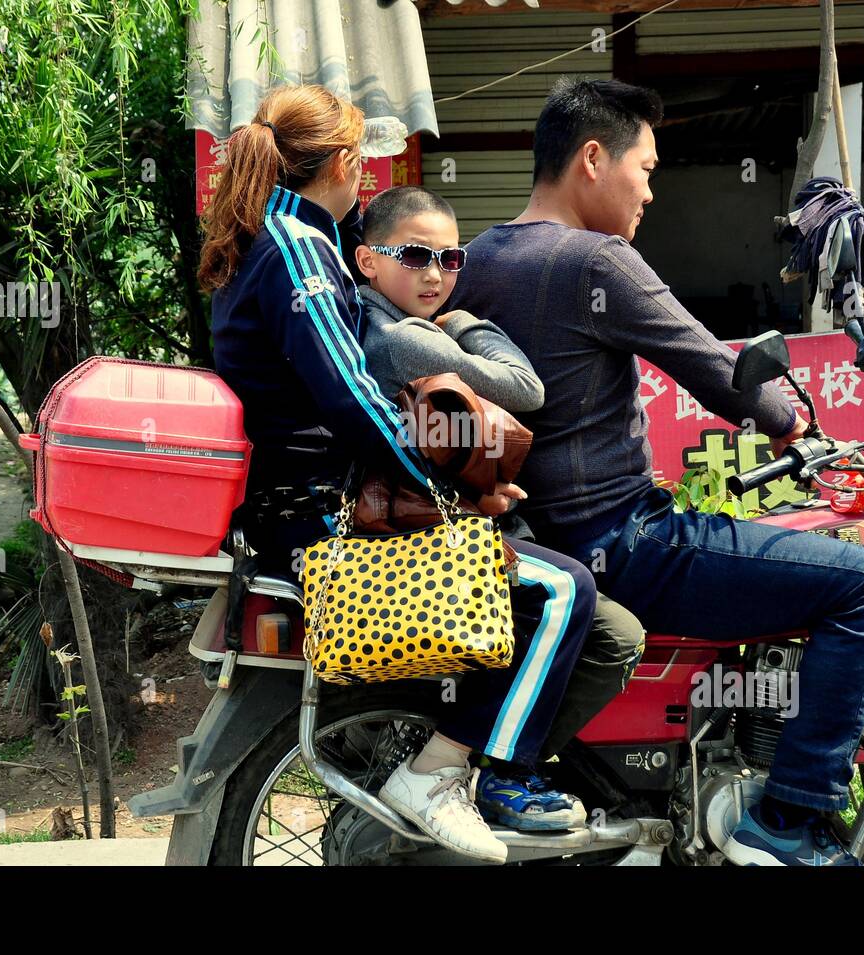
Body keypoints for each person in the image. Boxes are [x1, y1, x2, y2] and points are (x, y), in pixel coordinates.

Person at [445, 77, 864, 867]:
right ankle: (790, 816)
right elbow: (712, 366)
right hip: (621, 540)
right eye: (646, 169)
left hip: (535, 536)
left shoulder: (478, 256)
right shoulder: (599, 261)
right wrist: (795, 420)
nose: (650, 191)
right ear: (593, 158)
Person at [201, 84, 596, 864]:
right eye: (365, 162)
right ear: (344, 163)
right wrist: (448, 493)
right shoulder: (295, 245)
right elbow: (350, 395)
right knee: (564, 591)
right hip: (317, 516)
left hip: (312, 503)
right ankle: (447, 773)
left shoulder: (281, 235)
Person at [353, 184, 646, 830]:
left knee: (617, 635)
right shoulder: (401, 337)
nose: (434, 274)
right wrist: (465, 323)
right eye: (415, 255)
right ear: (368, 260)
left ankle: (502, 768)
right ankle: (457, 770)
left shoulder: (401, 325)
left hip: (442, 525)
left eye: (451, 260)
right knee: (569, 590)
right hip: (418, 544)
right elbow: (526, 387)